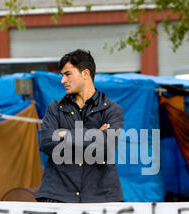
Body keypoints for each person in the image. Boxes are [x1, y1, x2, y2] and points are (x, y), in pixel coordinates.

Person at [36, 49, 124, 203]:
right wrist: (95, 134)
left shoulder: (112, 110)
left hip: (101, 198)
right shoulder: (54, 108)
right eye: (62, 75)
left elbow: (104, 147)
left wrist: (64, 134)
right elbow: (46, 142)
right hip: (57, 196)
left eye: (67, 74)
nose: (62, 80)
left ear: (85, 74)